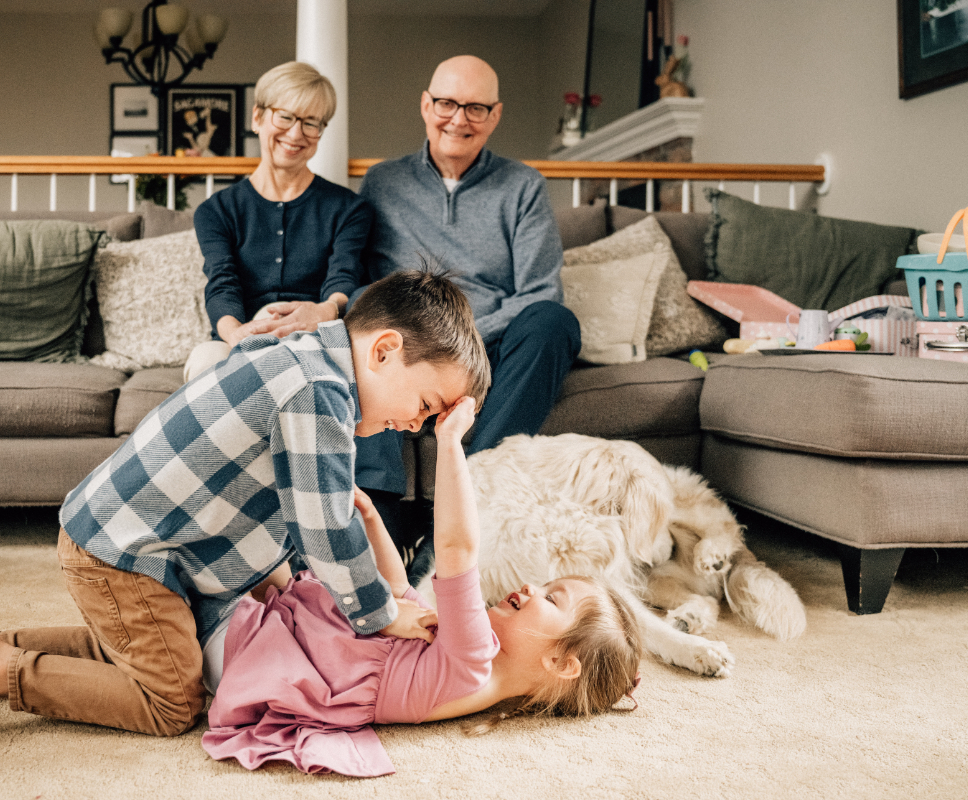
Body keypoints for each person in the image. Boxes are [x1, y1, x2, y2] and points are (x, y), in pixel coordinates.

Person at [0, 269, 492, 750]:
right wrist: (380, 614)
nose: (415, 424)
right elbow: (325, 525)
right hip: (124, 555)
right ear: (384, 351)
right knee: (170, 700)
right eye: (425, 404)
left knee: (143, 651)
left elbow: (273, 508)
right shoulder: (318, 394)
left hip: (125, 537)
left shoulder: (299, 355)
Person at [201, 391, 642, 777]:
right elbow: (399, 590)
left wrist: (450, 442)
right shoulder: (469, 658)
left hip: (255, 653)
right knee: (266, 532)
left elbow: (456, 549)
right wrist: (372, 520)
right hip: (292, 631)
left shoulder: (473, 664)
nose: (531, 587)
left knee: (224, 536)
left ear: (561, 663)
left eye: (551, 598)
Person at [353, 55, 582, 562]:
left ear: (495, 115)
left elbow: (541, 290)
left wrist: (466, 342)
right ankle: (384, 525)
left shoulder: (523, 185)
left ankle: (466, 494)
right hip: (412, 346)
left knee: (553, 322)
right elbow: (366, 283)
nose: (459, 119)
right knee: (363, 344)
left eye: (475, 108)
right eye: (447, 104)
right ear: (425, 105)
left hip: (493, 345)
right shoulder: (382, 182)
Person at [183, 61, 373, 383]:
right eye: (285, 117)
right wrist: (238, 335)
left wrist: (323, 312)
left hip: (316, 341)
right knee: (206, 361)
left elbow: (345, 276)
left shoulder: (350, 209)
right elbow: (222, 283)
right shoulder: (215, 211)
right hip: (240, 338)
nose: (296, 134)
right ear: (257, 117)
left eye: (311, 123)